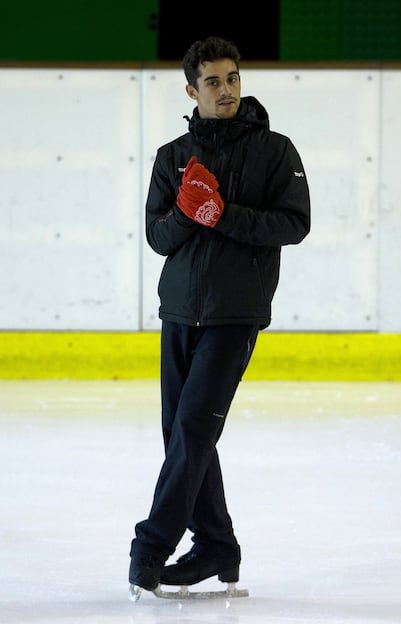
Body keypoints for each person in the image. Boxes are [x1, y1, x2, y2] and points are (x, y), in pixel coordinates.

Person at [129, 35, 311, 593]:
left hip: (235, 314)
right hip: (179, 311)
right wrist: (188, 213)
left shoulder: (275, 151)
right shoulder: (172, 156)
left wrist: (222, 212)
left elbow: (293, 224)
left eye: (232, 78)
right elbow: (159, 237)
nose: (226, 89)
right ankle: (217, 545)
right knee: (183, 435)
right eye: (213, 81)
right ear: (192, 89)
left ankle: (150, 547)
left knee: (191, 428)